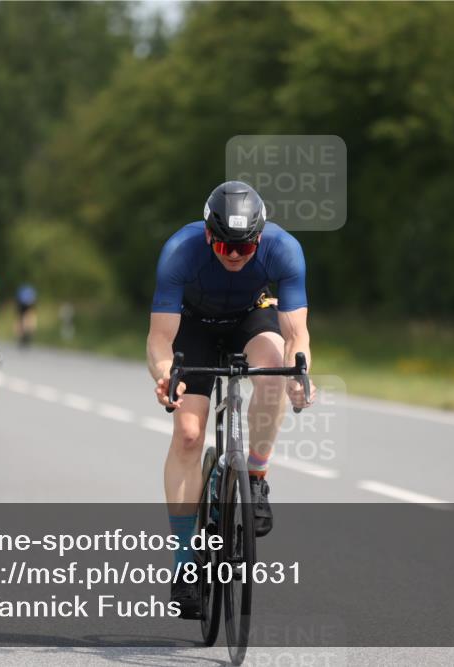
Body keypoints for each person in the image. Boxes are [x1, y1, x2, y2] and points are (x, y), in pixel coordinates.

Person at [146, 181, 316, 616]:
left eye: (245, 247)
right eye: (225, 246)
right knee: (188, 434)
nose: (235, 255)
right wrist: (165, 375)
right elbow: (159, 339)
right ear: (208, 235)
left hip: (251, 319)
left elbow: (296, 334)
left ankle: (255, 476)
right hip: (194, 327)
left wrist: (300, 374)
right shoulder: (180, 250)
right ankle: (185, 564)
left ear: (259, 237)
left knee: (274, 373)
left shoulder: (284, 249)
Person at [15, 283, 37, 347]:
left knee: (20, 320)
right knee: (30, 317)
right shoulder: (30, 291)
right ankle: (30, 332)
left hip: (21, 304)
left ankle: (21, 335)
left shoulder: (21, 291)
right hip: (29, 303)